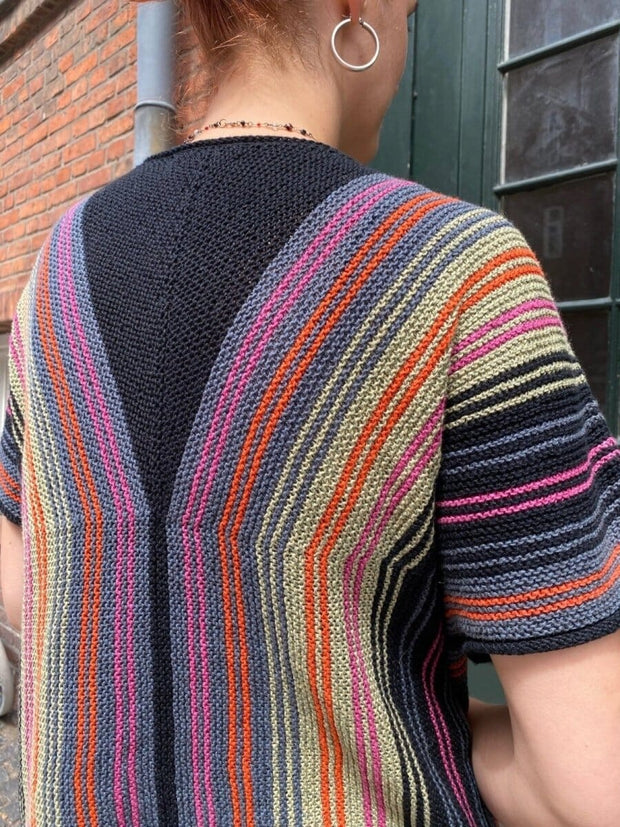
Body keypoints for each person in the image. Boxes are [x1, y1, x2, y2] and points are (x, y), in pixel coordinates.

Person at [1, 0, 619, 824]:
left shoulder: (56, 268)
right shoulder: (458, 272)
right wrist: (397, 719)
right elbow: (583, 786)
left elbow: (22, 573)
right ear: (357, 9)